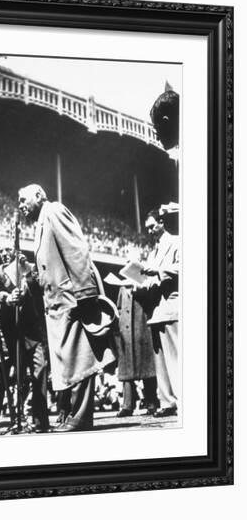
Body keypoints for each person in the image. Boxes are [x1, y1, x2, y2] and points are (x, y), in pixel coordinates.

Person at [18, 184, 116, 432]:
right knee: (69, 360)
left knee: (81, 358)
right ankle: (70, 414)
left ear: (39, 196)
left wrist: (85, 294)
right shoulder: (41, 221)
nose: (20, 205)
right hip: (57, 303)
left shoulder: (53, 211)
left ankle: (80, 417)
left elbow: (76, 250)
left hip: (72, 299)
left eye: (23, 200)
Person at [0, 248, 50, 432]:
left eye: (9, 249)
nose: (5, 253)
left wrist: (27, 274)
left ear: (17, 250)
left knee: (40, 371)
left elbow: (41, 288)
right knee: (3, 377)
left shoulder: (31, 268)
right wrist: (7, 298)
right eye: (1, 250)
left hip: (33, 331)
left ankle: (40, 422)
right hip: (9, 331)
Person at [138, 208, 180, 417]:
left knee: (174, 357)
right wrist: (138, 284)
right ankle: (167, 402)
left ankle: (181, 400)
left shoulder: (177, 241)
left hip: (171, 303)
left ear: (162, 222)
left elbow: (184, 267)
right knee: (160, 360)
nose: (150, 231)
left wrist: (159, 271)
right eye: (147, 229)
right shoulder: (153, 251)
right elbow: (151, 278)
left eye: (153, 226)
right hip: (156, 308)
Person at [112, 282, 158, 416]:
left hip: (142, 329)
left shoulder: (145, 284)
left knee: (147, 367)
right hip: (125, 331)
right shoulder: (122, 287)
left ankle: (151, 402)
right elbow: (119, 308)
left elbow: (151, 302)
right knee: (126, 369)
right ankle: (127, 405)